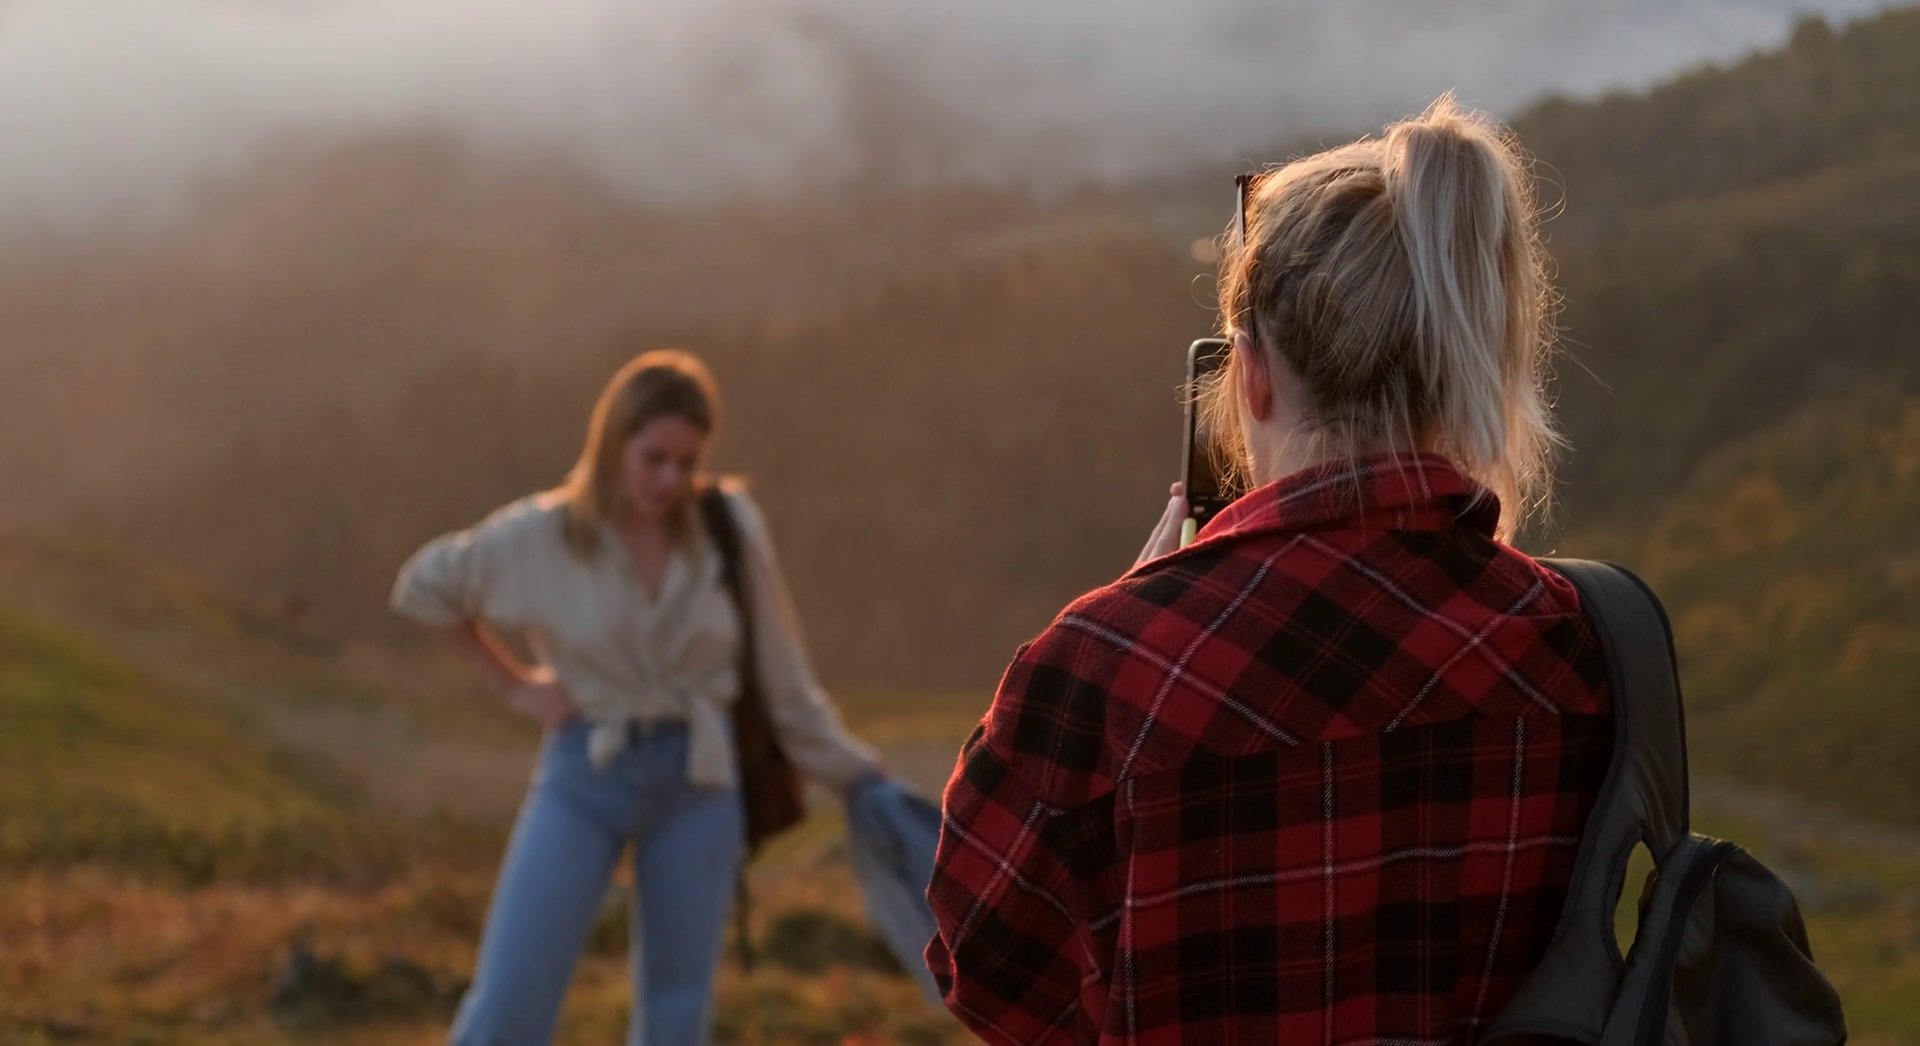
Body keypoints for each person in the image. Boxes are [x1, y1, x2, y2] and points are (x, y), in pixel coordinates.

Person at [926, 96, 1614, 1044]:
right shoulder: (1570, 644)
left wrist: (1127, 612)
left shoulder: (1106, 665)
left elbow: (982, 963)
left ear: (1248, 375)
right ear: (1455, 363)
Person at [391, 350, 881, 1046]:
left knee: (678, 1011)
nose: (670, 479)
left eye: (687, 462)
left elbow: (783, 673)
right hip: (586, 770)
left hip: (700, 779)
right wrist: (515, 684)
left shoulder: (726, 526)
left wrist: (854, 770)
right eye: (654, 458)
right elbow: (426, 587)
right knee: (508, 1002)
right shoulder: (544, 533)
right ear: (612, 443)